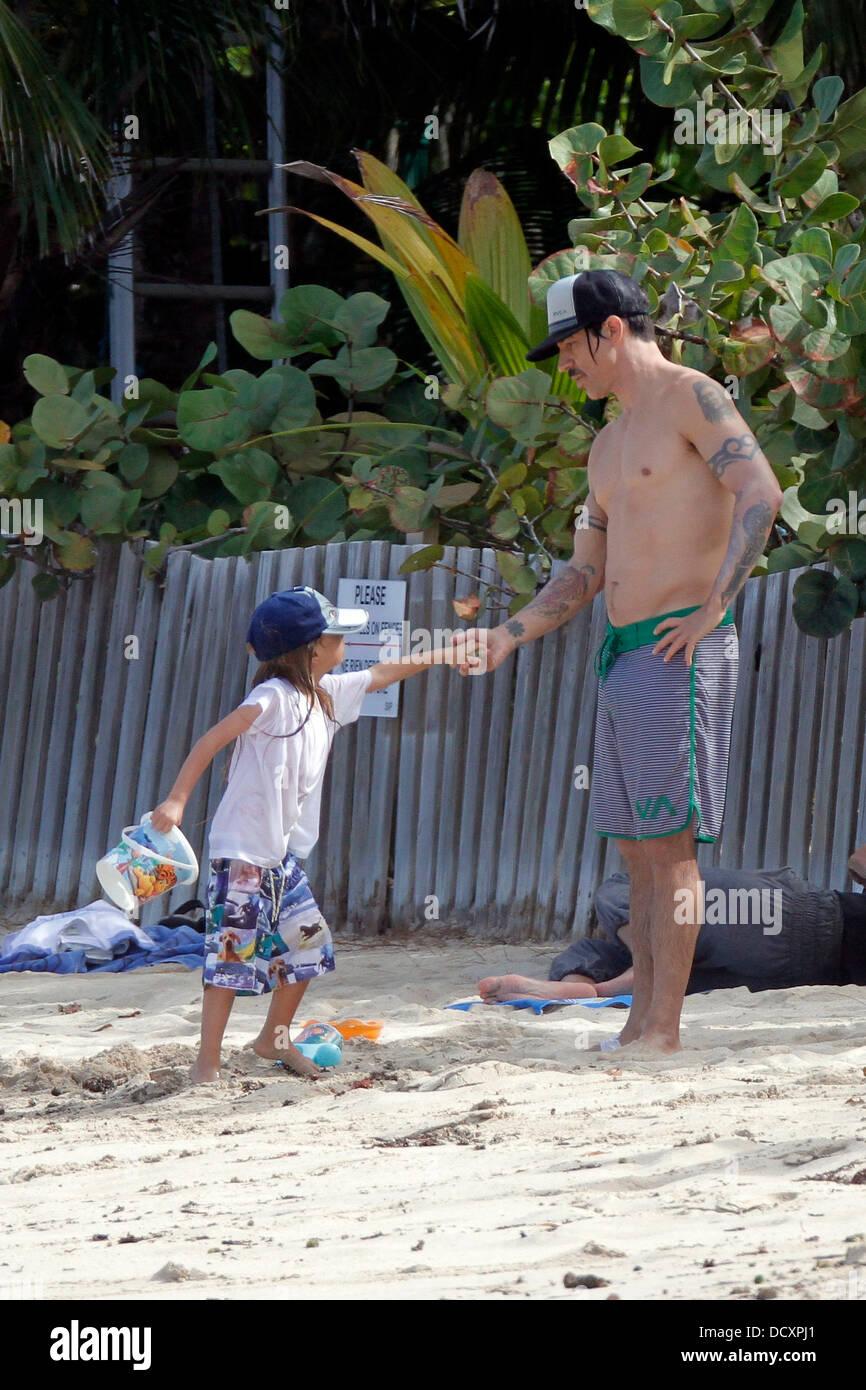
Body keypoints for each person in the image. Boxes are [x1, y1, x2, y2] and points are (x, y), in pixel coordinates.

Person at [459, 268, 783, 1053]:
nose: (564, 365)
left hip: (681, 649)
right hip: (624, 657)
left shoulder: (693, 396)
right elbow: (585, 570)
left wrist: (715, 605)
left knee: (671, 850)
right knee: (637, 852)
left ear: (609, 329)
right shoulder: (606, 444)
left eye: (568, 347)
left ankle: (663, 1029)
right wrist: (510, 634)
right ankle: (639, 1022)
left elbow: (761, 492)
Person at [151, 586, 473, 1084]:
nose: (346, 642)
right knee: (232, 960)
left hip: (282, 860)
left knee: (309, 948)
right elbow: (212, 739)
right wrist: (176, 800)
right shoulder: (273, 697)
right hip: (243, 857)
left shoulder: (326, 696)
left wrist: (444, 653)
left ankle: (273, 1039)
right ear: (312, 649)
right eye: (338, 635)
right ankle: (206, 1064)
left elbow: (384, 673)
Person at [479, 865, 866, 1006]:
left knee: (626, 887)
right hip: (810, 971)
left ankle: (605, 984)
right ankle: (588, 983)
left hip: (806, 917)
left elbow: (859, 861)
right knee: (617, 951)